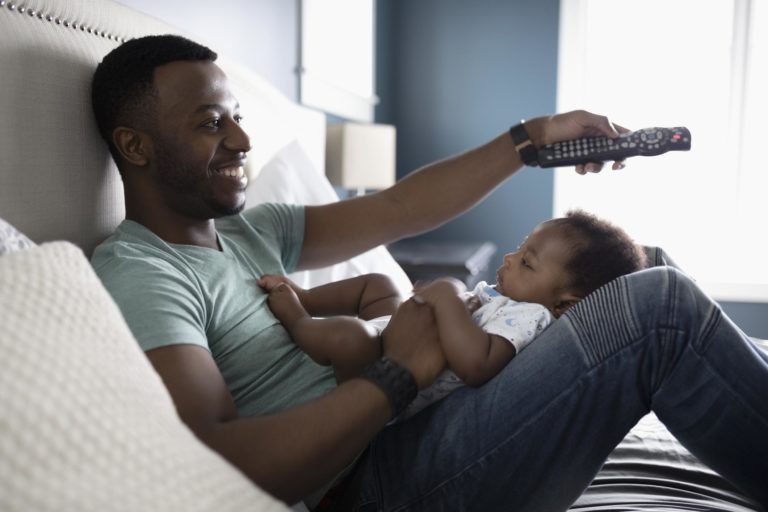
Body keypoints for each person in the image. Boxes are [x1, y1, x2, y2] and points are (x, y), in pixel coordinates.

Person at [89, 34, 768, 511]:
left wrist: (533, 138)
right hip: (370, 483)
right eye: (212, 124)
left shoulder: (248, 231)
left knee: (647, 268)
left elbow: (401, 208)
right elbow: (220, 456)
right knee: (659, 308)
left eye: (237, 118)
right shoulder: (144, 272)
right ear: (135, 145)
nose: (240, 140)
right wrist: (396, 375)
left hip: (413, 425)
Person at [259, 210, 648, 419]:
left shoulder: (533, 318)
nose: (510, 259)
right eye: (519, 248)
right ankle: (307, 296)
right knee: (379, 283)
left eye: (527, 263)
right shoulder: (511, 301)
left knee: (348, 337)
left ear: (564, 304)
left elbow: (475, 364)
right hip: (399, 335)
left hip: (390, 379)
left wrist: (446, 297)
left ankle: (297, 319)